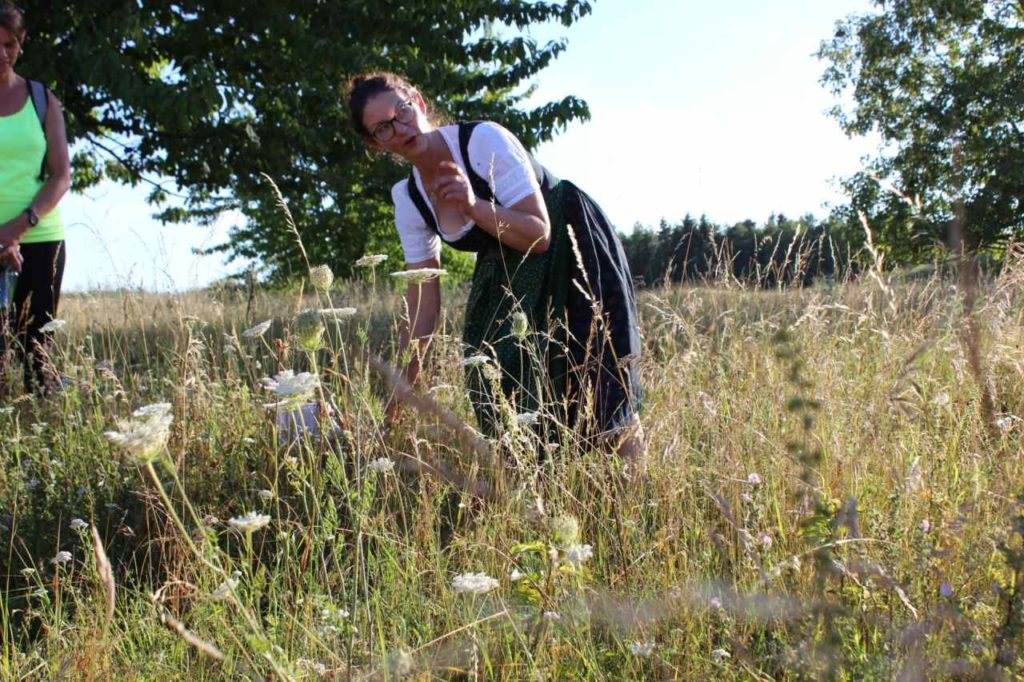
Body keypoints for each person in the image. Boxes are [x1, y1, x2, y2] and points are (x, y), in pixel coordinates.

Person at [348, 73, 645, 458]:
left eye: (402, 111)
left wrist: (472, 206)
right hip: (505, 264)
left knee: (599, 383)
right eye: (383, 128)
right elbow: (422, 306)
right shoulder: (409, 200)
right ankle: (546, 493)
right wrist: (396, 402)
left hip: (568, 242)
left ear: (418, 103)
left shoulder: (482, 141)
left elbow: (540, 234)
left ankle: (632, 492)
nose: (400, 128)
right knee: (495, 372)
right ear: (375, 144)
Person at [0, 1, 71, 395]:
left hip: (40, 243)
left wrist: (18, 227)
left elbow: (61, 177)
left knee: (36, 362)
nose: (1, 54)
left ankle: (38, 450)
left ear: (22, 42)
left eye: (9, 44)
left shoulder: (43, 99)